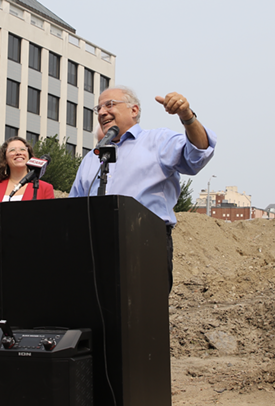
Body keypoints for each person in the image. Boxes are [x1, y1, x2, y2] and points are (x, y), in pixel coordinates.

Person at [69, 86, 217, 292]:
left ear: (134, 110)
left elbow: (198, 153)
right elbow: (73, 206)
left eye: (110, 105)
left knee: (143, 316)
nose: (102, 112)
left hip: (145, 242)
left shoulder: (157, 141)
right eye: (99, 108)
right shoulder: (91, 158)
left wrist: (187, 116)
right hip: (95, 248)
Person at [0, 136, 55, 401]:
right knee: (1, 320)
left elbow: (46, 224)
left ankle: (32, 379)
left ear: (31, 157)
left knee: (33, 321)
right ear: (5, 157)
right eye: (13, 150)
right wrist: (0, 256)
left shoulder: (44, 188)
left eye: (24, 149)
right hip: (0, 265)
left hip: (32, 266)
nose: (19, 152)